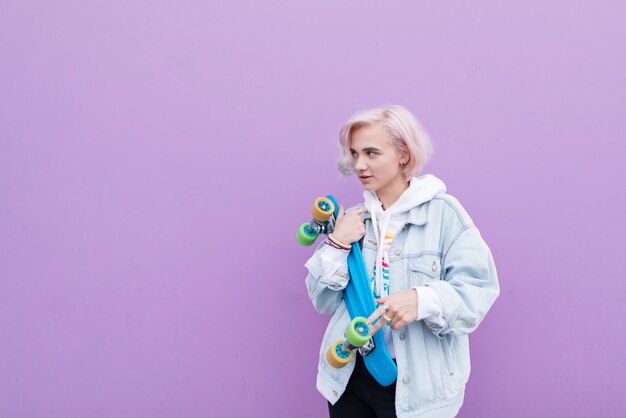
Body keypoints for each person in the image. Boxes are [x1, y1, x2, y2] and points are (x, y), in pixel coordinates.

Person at [304, 105, 499, 418]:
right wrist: (337, 243)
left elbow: (478, 290)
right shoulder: (354, 219)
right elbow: (323, 300)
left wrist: (422, 300)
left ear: (404, 155)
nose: (359, 165)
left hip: (417, 386)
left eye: (371, 153)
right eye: (354, 154)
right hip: (348, 376)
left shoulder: (443, 215)